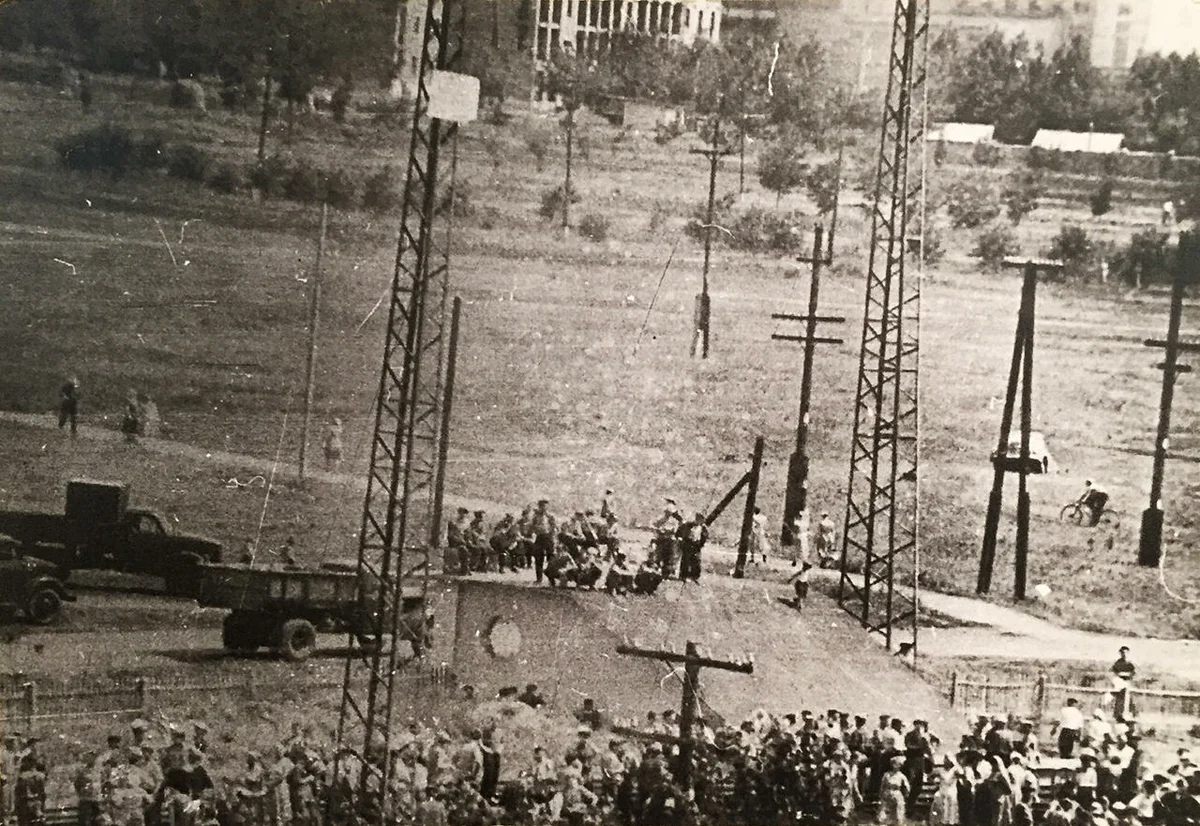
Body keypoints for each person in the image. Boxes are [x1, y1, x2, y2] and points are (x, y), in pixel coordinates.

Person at [676, 512, 708, 583]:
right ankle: (683, 576)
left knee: (696, 561)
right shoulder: (688, 525)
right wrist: (680, 539)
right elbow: (679, 532)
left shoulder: (703, 528)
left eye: (702, 519)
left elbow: (704, 537)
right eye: (699, 518)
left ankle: (694, 576)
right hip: (687, 544)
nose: (700, 520)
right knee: (685, 560)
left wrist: (701, 544)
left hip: (696, 546)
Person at [531, 500, 556, 584]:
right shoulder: (536, 516)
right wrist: (536, 530)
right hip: (539, 537)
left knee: (551, 558)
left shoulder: (550, 516)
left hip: (548, 537)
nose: (543, 508)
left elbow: (554, 527)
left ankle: (551, 579)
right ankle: (539, 579)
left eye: (545, 506)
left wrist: (552, 537)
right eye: (541, 506)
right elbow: (532, 526)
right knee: (538, 558)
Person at [1112, 645, 1136, 721]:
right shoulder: (1118, 663)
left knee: (1129, 700)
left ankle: (1131, 714)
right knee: (1119, 700)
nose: (1124, 654)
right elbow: (1115, 672)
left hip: (1127, 683)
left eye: (1126, 653)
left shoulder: (1130, 664)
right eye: (1123, 653)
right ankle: (1118, 715)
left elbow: (1133, 673)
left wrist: (1129, 676)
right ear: (1120, 653)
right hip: (1120, 684)